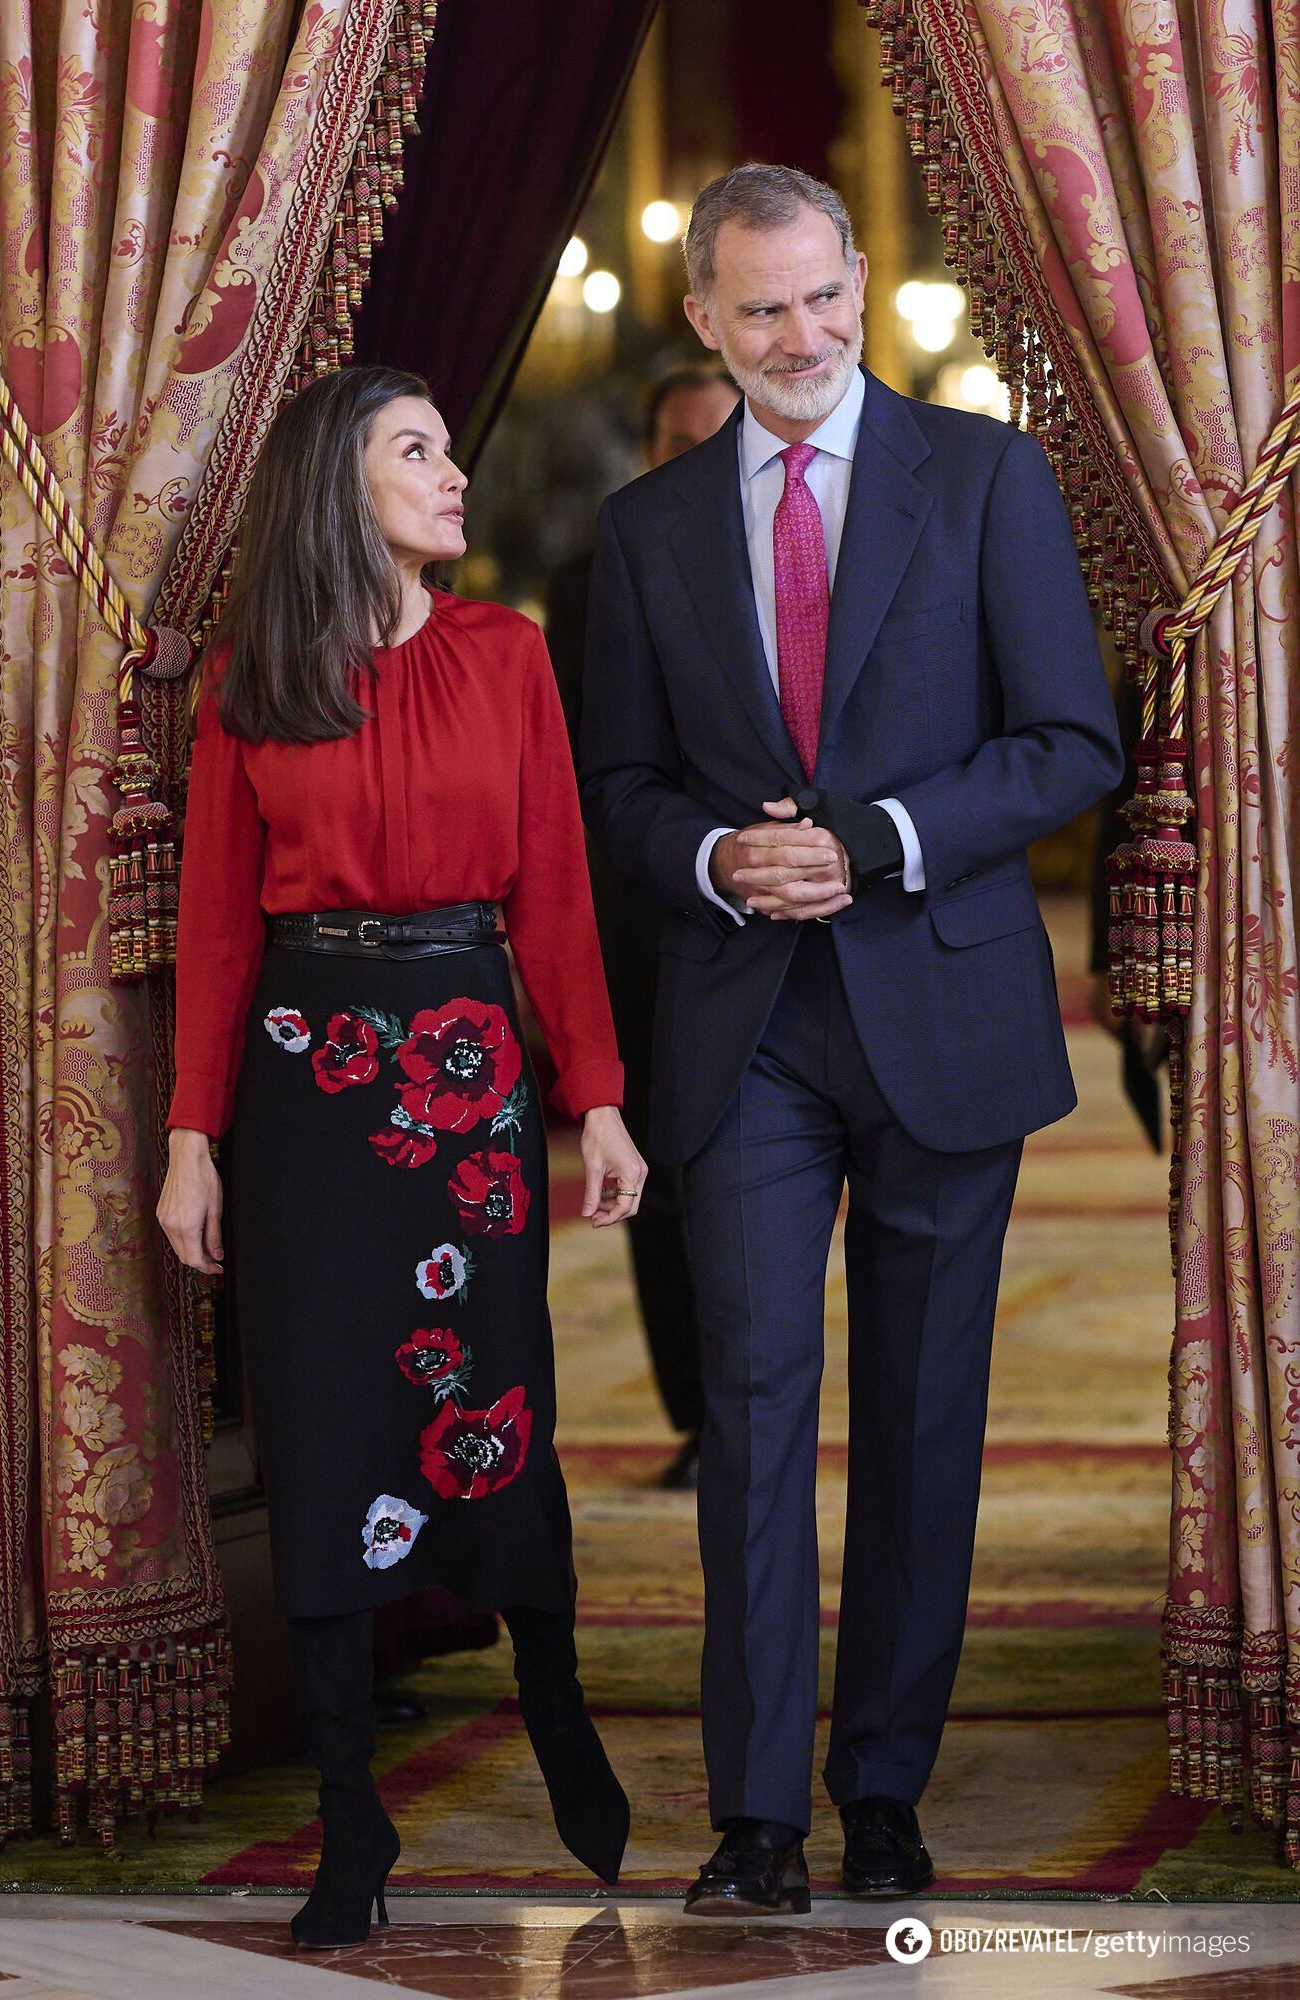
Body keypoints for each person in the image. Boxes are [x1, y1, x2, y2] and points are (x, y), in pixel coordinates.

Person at [580, 165, 1122, 1915]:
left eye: (821, 299)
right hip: (741, 1032)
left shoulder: (980, 478)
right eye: (758, 310)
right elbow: (612, 789)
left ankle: (879, 1788)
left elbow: (1064, 744)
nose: (797, 335)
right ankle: (754, 1819)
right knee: (746, 1412)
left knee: (915, 1418)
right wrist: (708, 856)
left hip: (937, 1006)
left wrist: (877, 841)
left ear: (859, 281)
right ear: (704, 322)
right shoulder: (647, 528)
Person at [157, 365, 645, 1948]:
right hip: (306, 1087)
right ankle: (350, 1820)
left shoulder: (505, 655)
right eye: (415, 451)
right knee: (320, 1414)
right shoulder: (251, 677)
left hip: (465, 1068)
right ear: (336, 490)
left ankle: (554, 1703)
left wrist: (600, 1095)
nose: (453, 473)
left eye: (447, 447)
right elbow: (219, 930)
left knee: (492, 1387)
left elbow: (555, 895)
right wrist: (190, 1141)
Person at [546, 364, 741, 1489]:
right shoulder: (591, 576)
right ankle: (706, 1420)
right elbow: (589, 768)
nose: (698, 464)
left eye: (719, 440)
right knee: (663, 1178)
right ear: (645, 451)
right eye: (676, 443)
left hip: (796, 910)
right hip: (645, 921)